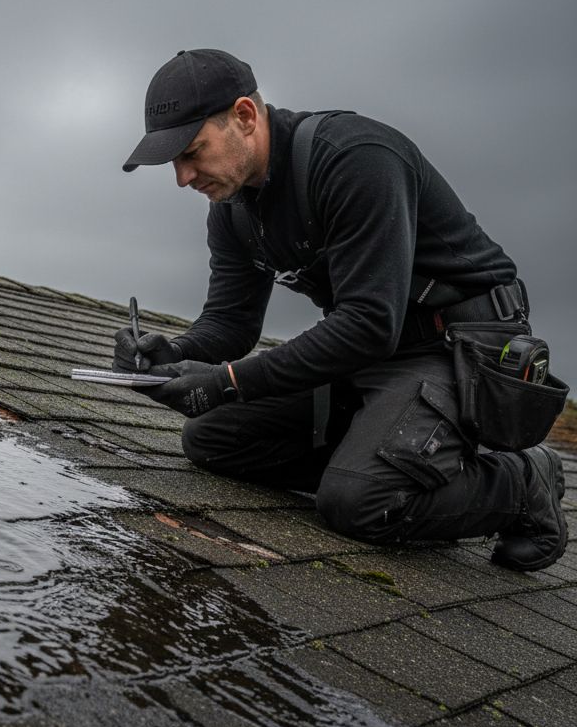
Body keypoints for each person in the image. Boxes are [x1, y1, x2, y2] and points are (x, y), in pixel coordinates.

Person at [114, 49, 566, 571]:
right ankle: (395, 464)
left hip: (459, 345)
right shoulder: (233, 211)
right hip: (376, 353)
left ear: (244, 116)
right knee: (212, 440)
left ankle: (525, 480)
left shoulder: (354, 157)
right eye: (174, 162)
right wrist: (173, 354)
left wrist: (228, 381)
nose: (183, 177)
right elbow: (231, 325)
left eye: (192, 152)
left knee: (359, 504)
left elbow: (369, 323)